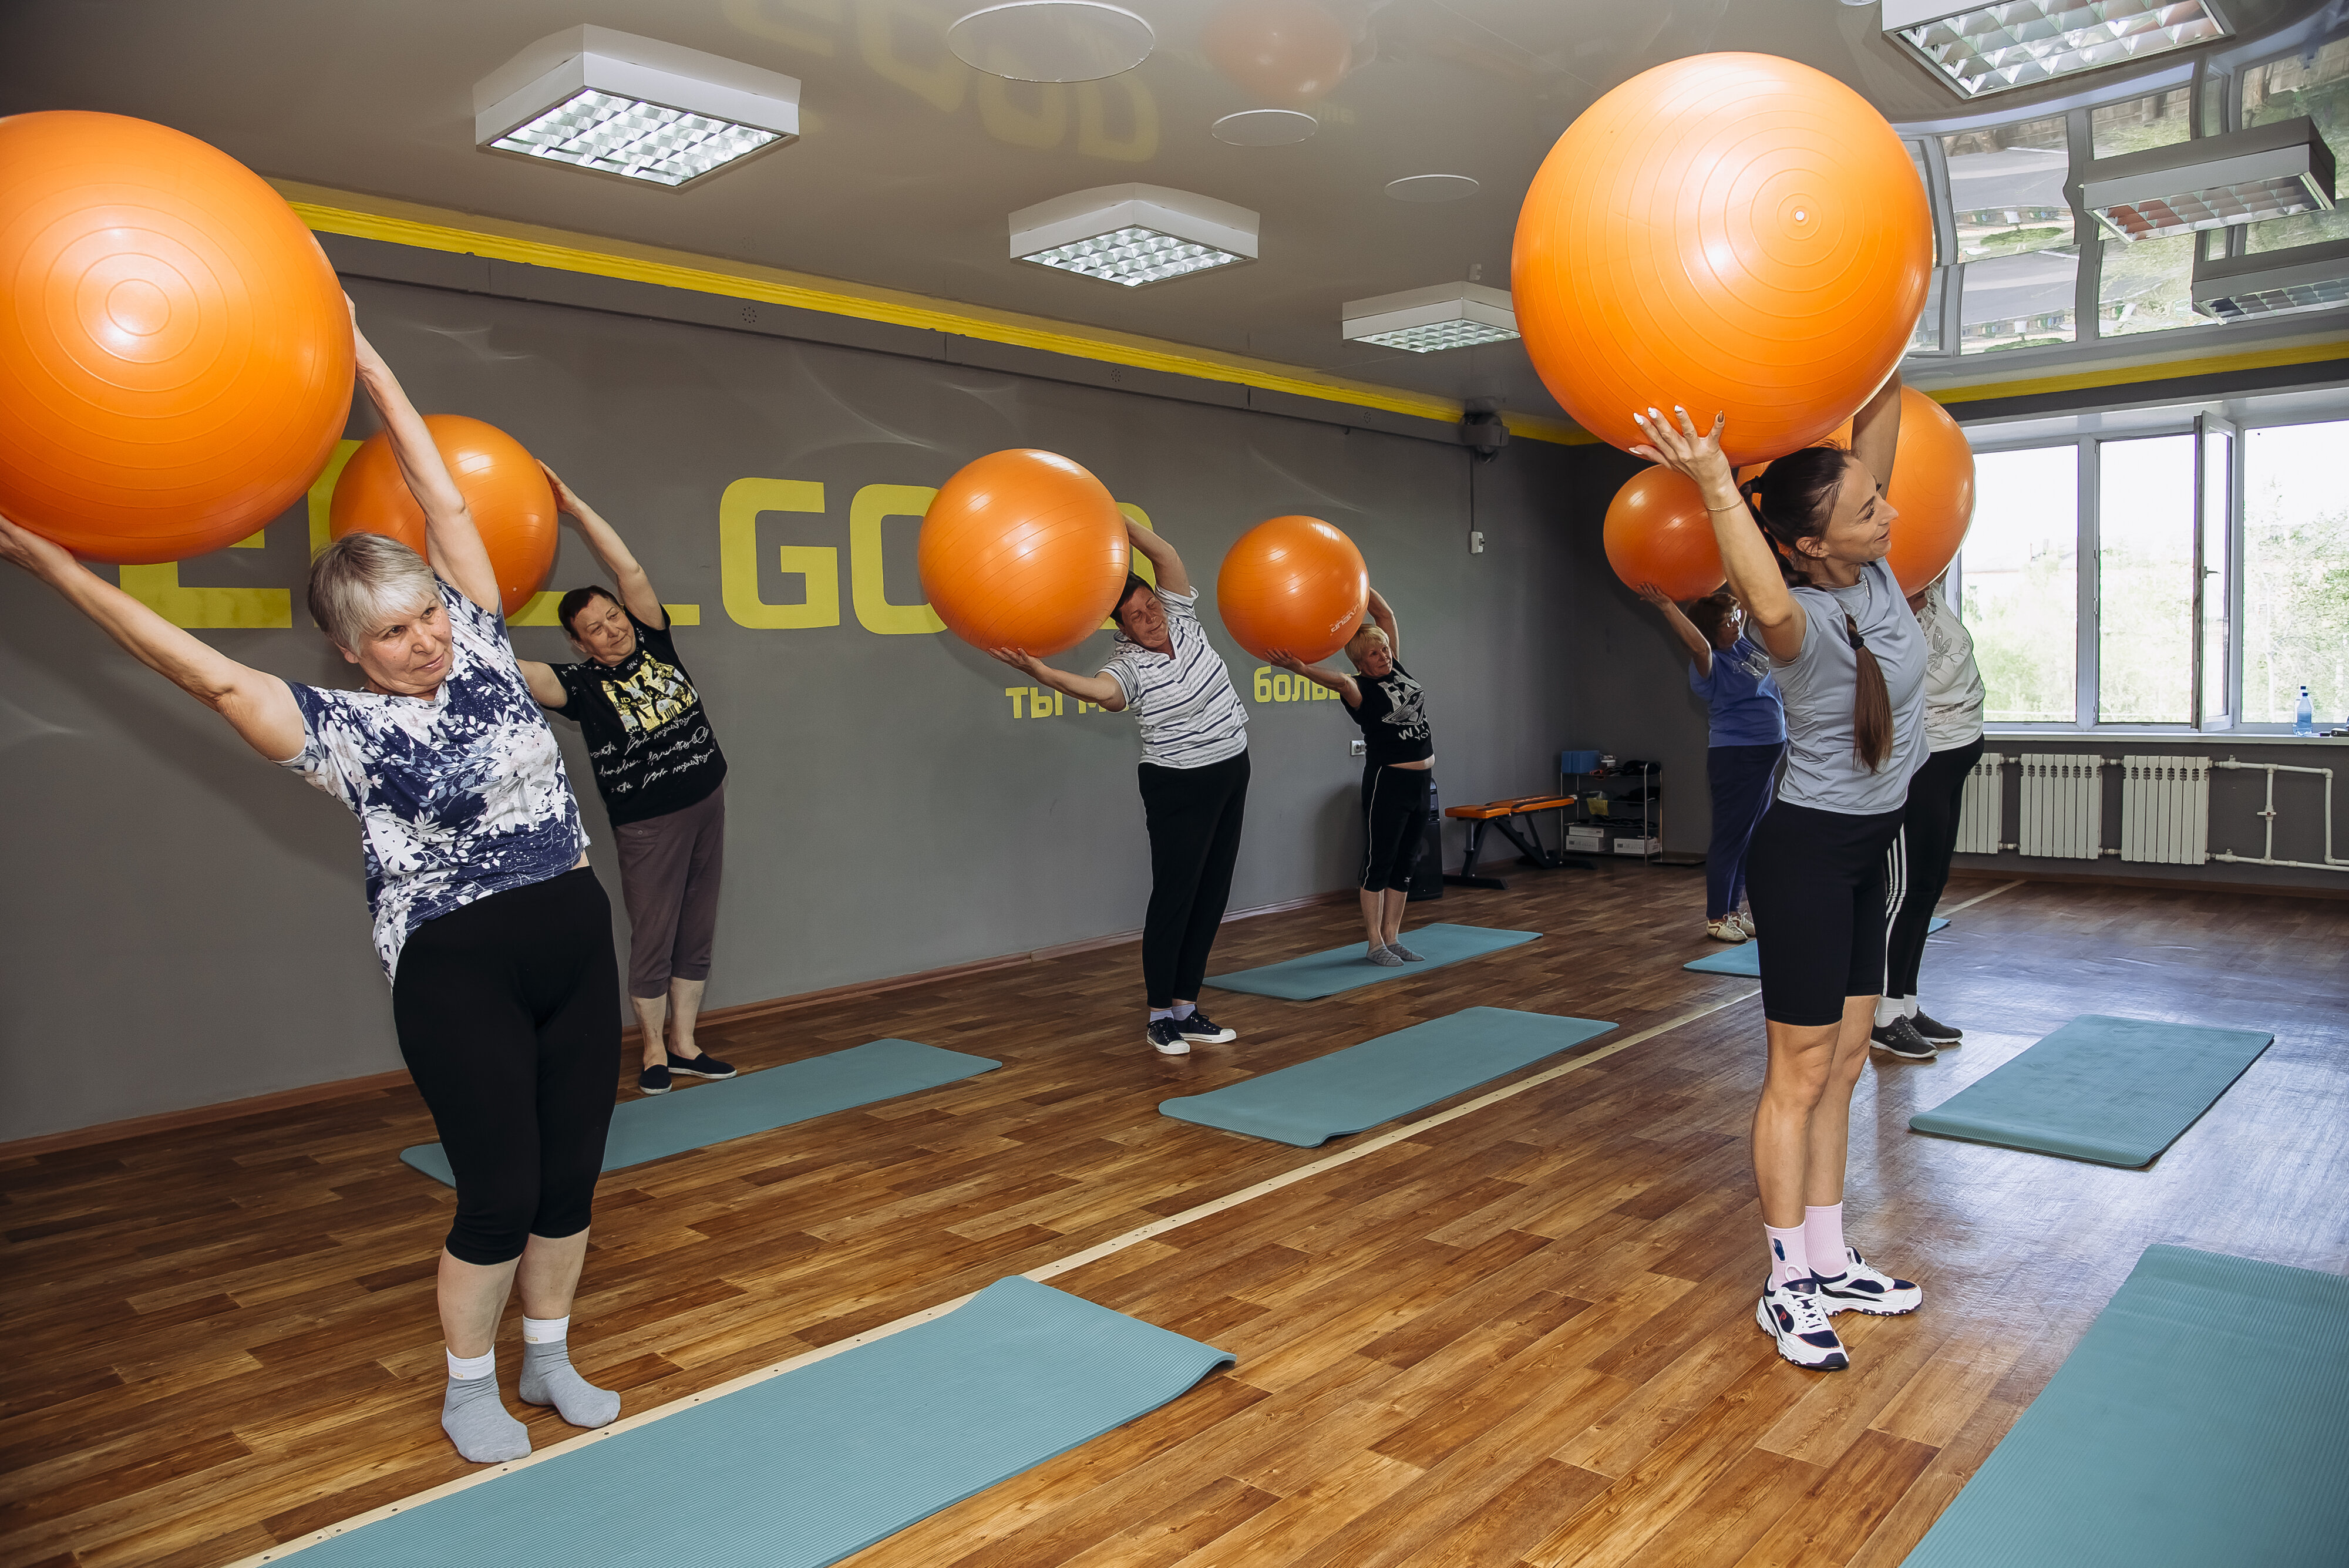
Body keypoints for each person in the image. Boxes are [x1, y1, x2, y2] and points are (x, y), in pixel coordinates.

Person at [0, 307, 624, 1464]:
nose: (426, 640)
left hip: (576, 940)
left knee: (571, 1180)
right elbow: (186, 666)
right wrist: (51, 565)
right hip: (456, 969)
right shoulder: (332, 730)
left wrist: (372, 370)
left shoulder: (485, 642)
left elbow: (443, 503)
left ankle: (548, 1355)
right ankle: (468, 1389)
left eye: (428, 611)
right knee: (498, 1189)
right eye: (393, 632)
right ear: (351, 650)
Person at [1631, 376, 1929, 1374]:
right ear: (1810, 545)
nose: (1888, 508)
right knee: (1797, 1076)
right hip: (1806, 854)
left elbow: (1873, 441)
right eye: (1865, 507)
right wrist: (1716, 479)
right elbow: (1758, 589)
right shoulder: (1793, 620)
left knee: (1847, 1065)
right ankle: (1784, 1283)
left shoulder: (1874, 572)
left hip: (1870, 849)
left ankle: (1831, 1255)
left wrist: (1880, 348)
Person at [988, 524, 1248, 1057]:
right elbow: (1101, 693)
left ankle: (1186, 1006)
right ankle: (1159, 1016)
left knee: (1213, 895)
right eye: (1137, 616)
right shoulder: (1128, 666)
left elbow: (1167, 553)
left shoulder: (1184, 620)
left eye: (1151, 605)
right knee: (1177, 897)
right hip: (1177, 784)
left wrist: (1114, 521)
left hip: (1231, 769)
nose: (1151, 618)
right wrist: (1044, 673)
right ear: (1123, 628)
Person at [517, 472, 735, 1097]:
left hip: (707, 800)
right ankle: (651, 1052)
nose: (612, 630)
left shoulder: (656, 642)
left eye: (613, 617)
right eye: (597, 629)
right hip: (648, 825)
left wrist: (579, 509)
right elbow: (511, 666)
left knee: (697, 927)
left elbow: (630, 569)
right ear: (577, 643)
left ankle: (687, 1045)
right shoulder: (578, 687)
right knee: (654, 935)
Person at [1264, 588, 1433, 964]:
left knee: (1406, 863)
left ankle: (1393, 937)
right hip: (1387, 784)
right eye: (1374, 653)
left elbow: (1385, 614)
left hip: (1422, 783)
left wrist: (1358, 581)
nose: (1384, 655)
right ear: (1361, 661)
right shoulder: (1360, 690)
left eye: (1384, 649)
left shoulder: (1397, 669)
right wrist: (1301, 669)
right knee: (1380, 861)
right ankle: (1375, 944)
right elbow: (1339, 681)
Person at [1873, 571, 1985, 1059]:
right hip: (1912, 767)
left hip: (1951, 762)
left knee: (1930, 885)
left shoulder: (1932, 591)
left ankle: (1906, 1005)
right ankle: (1881, 1016)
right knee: (1901, 891)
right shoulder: (1883, 611)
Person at [1636, 583, 1786, 944]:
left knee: (1749, 837)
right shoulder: (1710, 663)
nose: (1735, 623)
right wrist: (1667, 605)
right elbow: (1698, 644)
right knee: (1729, 837)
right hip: (1737, 756)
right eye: (1726, 621)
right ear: (1710, 629)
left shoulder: (1745, 645)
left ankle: (1734, 911)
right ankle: (1717, 917)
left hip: (1767, 753)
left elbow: (1749, 606)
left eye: (1735, 618)